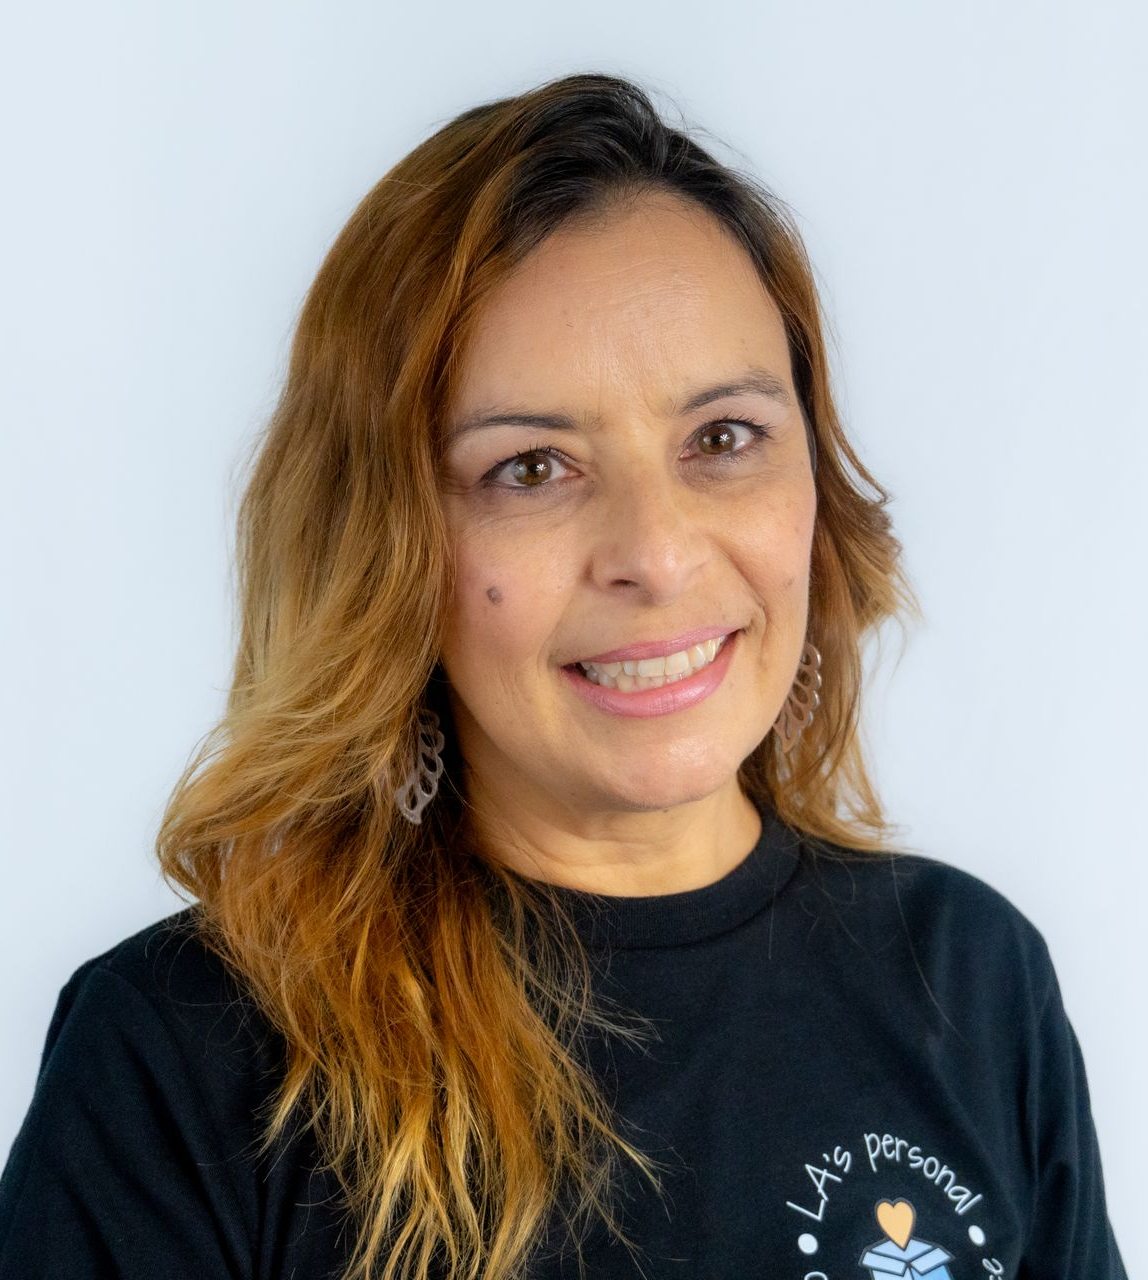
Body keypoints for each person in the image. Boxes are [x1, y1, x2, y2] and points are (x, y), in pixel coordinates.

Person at [0, 71, 1127, 1280]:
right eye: (531, 468)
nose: (654, 552)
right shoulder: (186, 1052)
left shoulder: (970, 978)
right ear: (387, 544)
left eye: (722, 438)